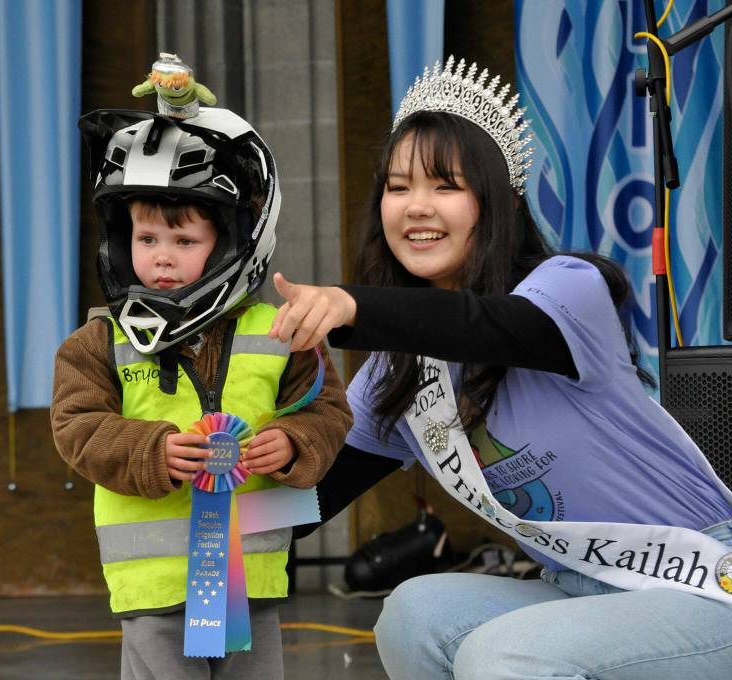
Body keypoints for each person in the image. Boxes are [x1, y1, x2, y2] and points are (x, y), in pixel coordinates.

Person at [269, 57, 732, 679]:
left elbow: (484, 327)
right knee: (414, 611)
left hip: (706, 583)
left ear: (501, 201)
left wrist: (351, 306)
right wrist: (198, 501)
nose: (416, 208)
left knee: (503, 654)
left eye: (446, 186)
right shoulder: (395, 370)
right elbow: (315, 496)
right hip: (577, 585)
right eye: (398, 186)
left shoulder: (568, 291)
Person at [52, 106, 352, 679]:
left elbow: (328, 412)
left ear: (228, 244)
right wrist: (151, 451)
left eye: (184, 239)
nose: (162, 255)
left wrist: (292, 442)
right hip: (152, 585)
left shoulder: (281, 331)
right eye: (145, 237)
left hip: (250, 580)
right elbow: (76, 426)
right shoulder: (97, 343)